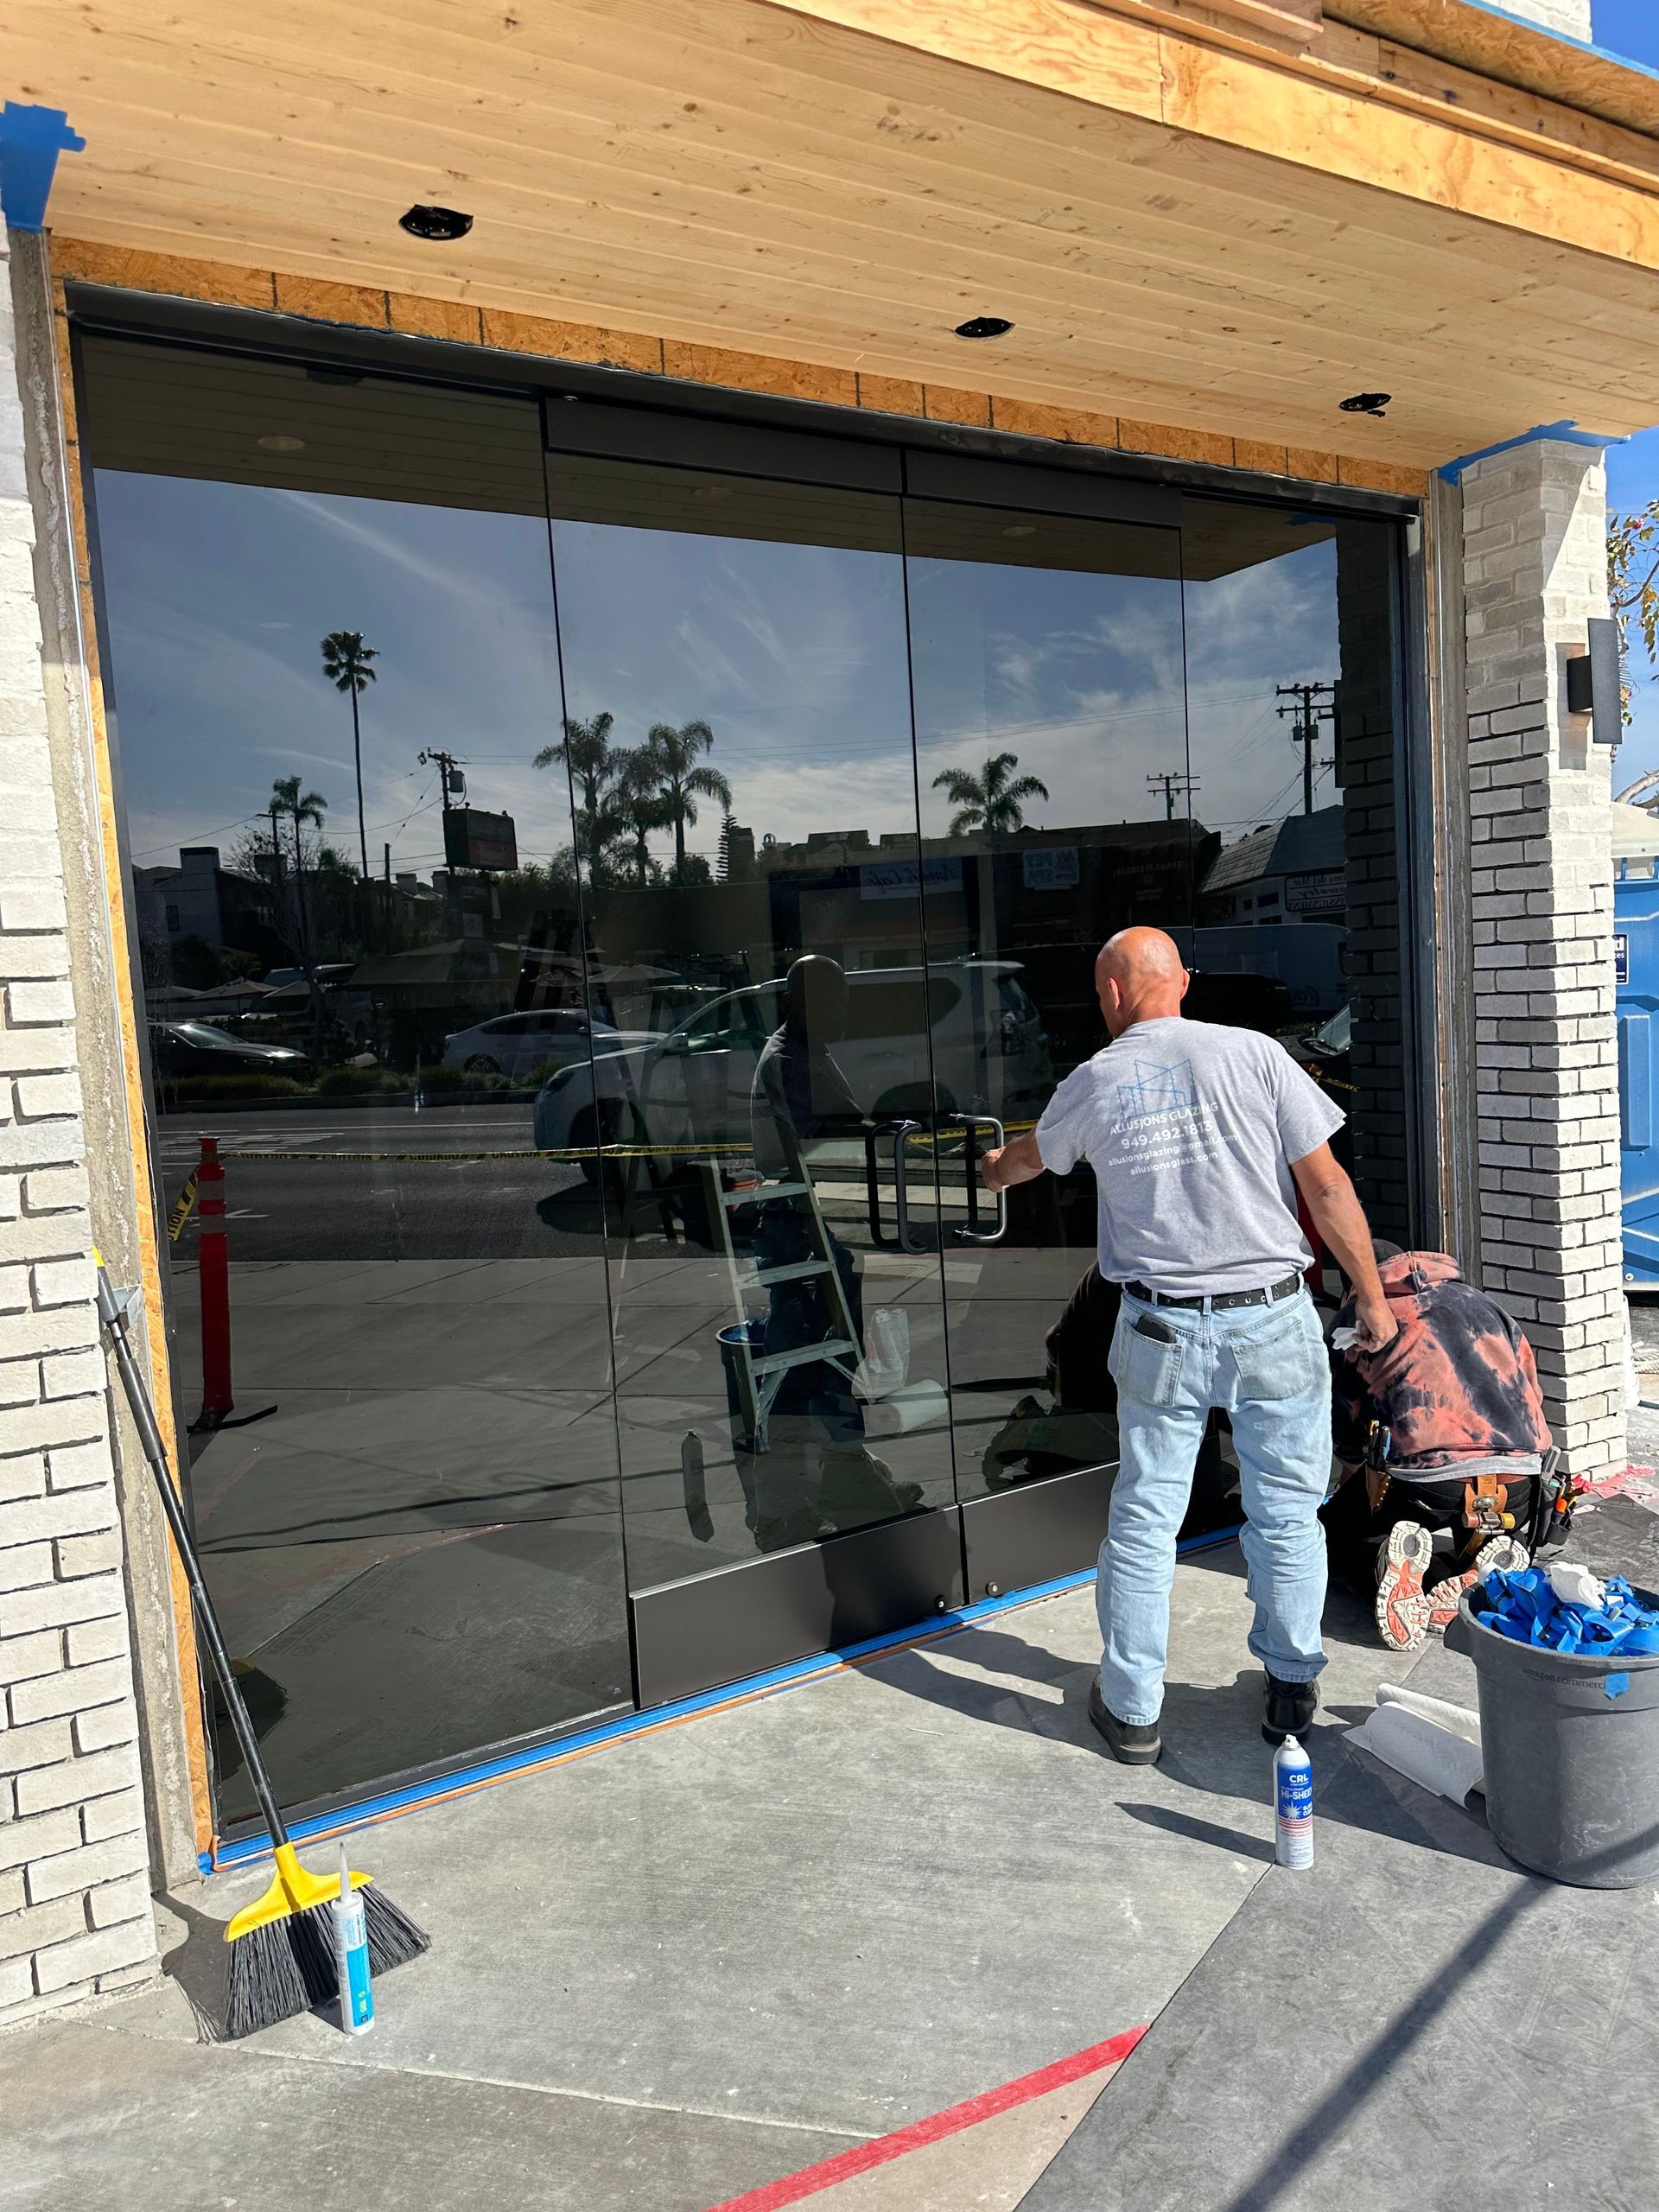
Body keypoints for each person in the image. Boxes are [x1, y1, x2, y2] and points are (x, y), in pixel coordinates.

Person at [982, 927, 1398, 1764]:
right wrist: (1374, 1298)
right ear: (1182, 983)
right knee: (1285, 1512)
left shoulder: (1095, 1080)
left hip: (1162, 1326)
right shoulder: (1256, 1055)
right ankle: (1290, 1687)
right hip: (1273, 1317)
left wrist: (990, 1166)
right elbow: (1325, 1182)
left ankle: (1134, 1709)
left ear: (1110, 993)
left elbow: (1026, 1163)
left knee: (1145, 1516)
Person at [1323, 1243, 1550, 1650]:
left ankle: (1387, 1572)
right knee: (1482, 1517)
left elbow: (1345, 1412)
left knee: (1330, 1538)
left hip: (1427, 1485)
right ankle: (1473, 1572)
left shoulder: (1358, 1318)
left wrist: (1351, 1470)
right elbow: (1533, 1391)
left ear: (1353, 1286)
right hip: (1519, 1481)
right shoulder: (1484, 1305)